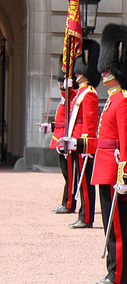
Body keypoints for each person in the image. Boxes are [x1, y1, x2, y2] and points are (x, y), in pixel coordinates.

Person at [58, 23, 127, 284]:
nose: (103, 71)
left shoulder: (125, 100)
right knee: (110, 221)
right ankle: (112, 272)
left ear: (118, 70)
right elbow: (103, 141)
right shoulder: (113, 99)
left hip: (115, 171)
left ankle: (117, 277)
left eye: (108, 67)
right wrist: (78, 143)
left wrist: (126, 176)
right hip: (104, 167)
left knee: (116, 224)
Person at [67, 38, 101, 229]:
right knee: (79, 178)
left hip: (82, 142)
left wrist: (87, 146)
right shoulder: (80, 92)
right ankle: (82, 212)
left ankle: (86, 216)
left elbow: (89, 123)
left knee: (85, 182)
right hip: (75, 139)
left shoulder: (89, 94)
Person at [41, 59, 77, 214]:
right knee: (66, 175)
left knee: (69, 175)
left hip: (66, 141)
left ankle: (68, 203)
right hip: (60, 140)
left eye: (63, 83)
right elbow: (61, 121)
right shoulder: (65, 99)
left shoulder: (73, 98)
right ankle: (66, 201)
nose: (61, 85)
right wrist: (51, 126)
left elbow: (70, 122)